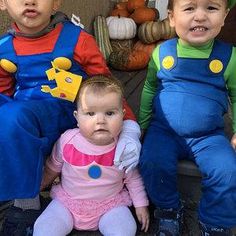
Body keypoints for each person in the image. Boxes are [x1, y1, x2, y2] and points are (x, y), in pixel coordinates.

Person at [0, 0, 141, 235]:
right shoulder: (4, 47)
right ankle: (22, 197)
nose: (29, 1)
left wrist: (129, 127)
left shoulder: (77, 39)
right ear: (3, 4)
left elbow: (106, 86)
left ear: (55, 3)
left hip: (71, 116)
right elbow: (3, 93)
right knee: (9, 117)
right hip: (26, 121)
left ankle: (26, 205)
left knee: (12, 117)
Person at [138, 0, 236, 235]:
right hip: (164, 132)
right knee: (152, 162)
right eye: (189, 8)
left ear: (224, 17)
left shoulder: (229, 57)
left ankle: (214, 222)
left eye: (211, 8)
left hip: (208, 137)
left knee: (228, 171)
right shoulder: (161, 53)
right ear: (171, 18)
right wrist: (140, 125)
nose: (200, 16)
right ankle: (168, 210)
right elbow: (150, 88)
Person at [33, 75, 149, 236]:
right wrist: (41, 184)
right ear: (77, 118)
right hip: (68, 203)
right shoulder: (68, 141)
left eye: (109, 113)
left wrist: (141, 204)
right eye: (90, 113)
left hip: (109, 206)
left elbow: (133, 178)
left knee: (125, 231)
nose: (100, 120)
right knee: (44, 230)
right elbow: (53, 166)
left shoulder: (123, 146)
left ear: (122, 115)